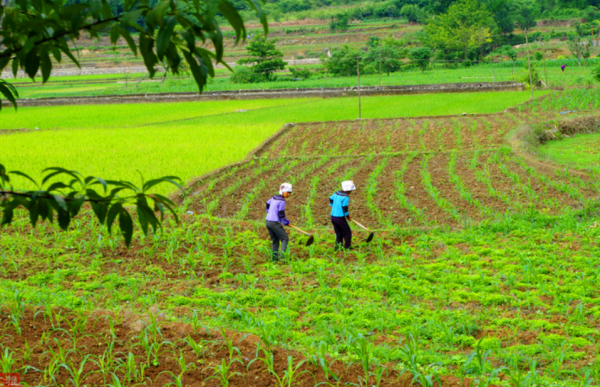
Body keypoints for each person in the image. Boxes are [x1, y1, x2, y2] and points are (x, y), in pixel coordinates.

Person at [265, 183, 293, 261]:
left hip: (268, 221)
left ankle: (274, 258)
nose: (289, 194)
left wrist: (268, 211)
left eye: (290, 193)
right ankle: (282, 257)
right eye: (288, 192)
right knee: (285, 238)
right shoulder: (282, 201)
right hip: (274, 222)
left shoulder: (274, 198)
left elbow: (267, 203)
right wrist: (286, 222)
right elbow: (281, 214)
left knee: (275, 240)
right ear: (283, 191)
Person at [330, 180, 355, 251]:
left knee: (339, 232)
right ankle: (347, 246)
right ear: (348, 190)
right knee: (347, 232)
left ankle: (338, 247)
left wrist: (333, 206)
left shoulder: (336, 193)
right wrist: (348, 217)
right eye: (351, 190)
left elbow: (331, 199)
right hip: (340, 218)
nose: (351, 192)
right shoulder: (345, 197)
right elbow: (345, 209)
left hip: (333, 216)